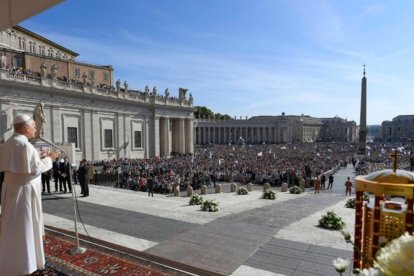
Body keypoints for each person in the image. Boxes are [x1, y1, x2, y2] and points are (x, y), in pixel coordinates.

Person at [0, 114, 59, 275]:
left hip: (11, 190)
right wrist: (49, 159)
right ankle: (26, 264)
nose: (35, 129)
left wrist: (38, 157)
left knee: (12, 227)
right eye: (33, 126)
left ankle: (12, 260)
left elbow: (22, 164)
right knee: (25, 227)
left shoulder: (7, 143)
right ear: (25, 127)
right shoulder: (25, 146)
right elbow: (35, 169)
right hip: (24, 193)